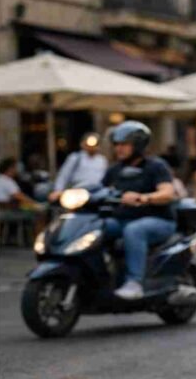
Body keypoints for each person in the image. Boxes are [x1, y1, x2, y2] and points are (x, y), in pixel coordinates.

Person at [100, 121, 178, 300]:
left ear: (138, 145)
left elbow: (167, 193)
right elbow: (99, 189)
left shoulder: (156, 166)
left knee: (134, 230)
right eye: (117, 145)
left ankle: (134, 283)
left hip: (158, 220)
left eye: (124, 144)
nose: (119, 149)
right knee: (95, 227)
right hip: (121, 219)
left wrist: (144, 198)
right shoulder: (115, 170)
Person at [48, 132, 108, 202]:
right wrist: (58, 190)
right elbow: (64, 175)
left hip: (97, 192)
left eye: (95, 145)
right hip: (78, 192)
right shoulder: (76, 158)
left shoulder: (102, 160)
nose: (92, 147)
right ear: (83, 144)